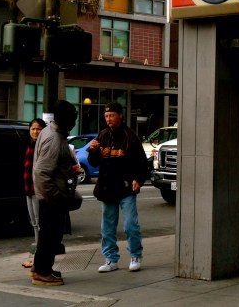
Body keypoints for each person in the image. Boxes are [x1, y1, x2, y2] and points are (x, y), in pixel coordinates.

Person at [88, 101, 147, 273]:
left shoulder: (130, 136)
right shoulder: (102, 135)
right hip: (107, 188)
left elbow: (141, 162)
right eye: (106, 116)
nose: (108, 119)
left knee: (130, 225)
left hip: (126, 188)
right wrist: (93, 151)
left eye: (112, 115)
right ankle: (110, 259)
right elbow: (94, 162)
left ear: (120, 115)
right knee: (107, 227)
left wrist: (138, 179)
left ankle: (135, 255)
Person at [31, 101, 78, 286]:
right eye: (73, 118)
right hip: (51, 198)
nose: (74, 122)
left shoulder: (52, 132)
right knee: (51, 236)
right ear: (66, 120)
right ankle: (42, 271)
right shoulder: (54, 139)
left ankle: (40, 267)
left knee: (48, 235)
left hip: (50, 195)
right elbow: (42, 173)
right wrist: (57, 197)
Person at [21, 118, 46, 269]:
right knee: (34, 223)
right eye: (33, 129)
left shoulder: (42, 145)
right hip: (28, 189)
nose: (35, 131)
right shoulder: (29, 144)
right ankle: (37, 255)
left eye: (38, 129)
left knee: (39, 223)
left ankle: (40, 257)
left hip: (38, 190)